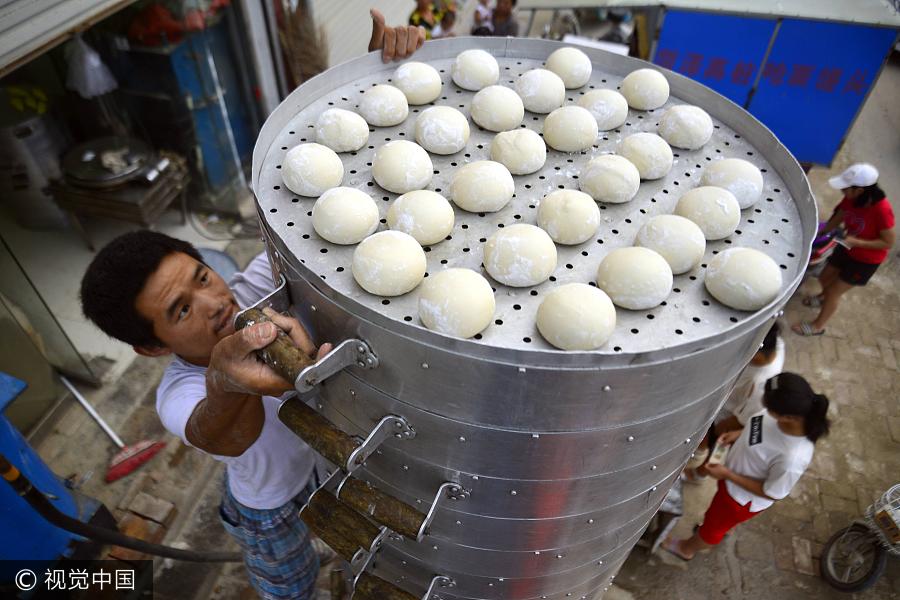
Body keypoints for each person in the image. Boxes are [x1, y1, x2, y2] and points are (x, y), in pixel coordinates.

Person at [79, 17, 423, 600]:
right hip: (270, 505)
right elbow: (228, 438)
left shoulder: (259, 278)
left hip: (326, 465)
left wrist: (380, 90)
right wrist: (222, 375)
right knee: (287, 589)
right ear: (153, 346)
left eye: (202, 277)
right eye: (181, 311)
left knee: (352, 549)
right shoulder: (179, 393)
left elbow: (340, 204)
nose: (215, 303)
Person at [664, 372, 830, 560]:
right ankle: (717, 528)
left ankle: (686, 549)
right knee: (716, 520)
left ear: (788, 417)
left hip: (738, 500)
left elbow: (771, 492)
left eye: (768, 406)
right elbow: (762, 428)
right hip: (730, 483)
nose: (763, 406)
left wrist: (727, 474)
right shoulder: (779, 415)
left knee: (713, 529)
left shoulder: (792, 458)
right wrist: (739, 434)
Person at [793, 163, 895, 336]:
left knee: (834, 291)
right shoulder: (851, 198)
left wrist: (858, 242)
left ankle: (817, 326)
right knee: (825, 277)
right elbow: (841, 214)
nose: (842, 192)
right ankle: (822, 298)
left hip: (865, 260)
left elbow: (887, 242)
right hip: (846, 247)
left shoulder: (882, 210)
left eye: (846, 189)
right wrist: (820, 232)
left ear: (860, 190)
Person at [683, 323, 785, 482]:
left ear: (755, 351)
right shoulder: (775, 342)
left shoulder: (761, 384)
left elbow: (738, 422)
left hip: (726, 419)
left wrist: (714, 432)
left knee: (713, 451)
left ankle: (699, 475)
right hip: (722, 405)